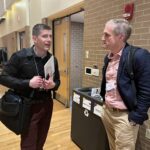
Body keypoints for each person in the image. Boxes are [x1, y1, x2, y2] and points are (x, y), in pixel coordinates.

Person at [0, 24, 60, 150]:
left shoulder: (52, 59)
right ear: (34, 38)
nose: (49, 39)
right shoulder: (20, 57)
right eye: (44, 36)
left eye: (50, 36)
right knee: (28, 144)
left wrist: (53, 85)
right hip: (27, 106)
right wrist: (28, 83)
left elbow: (57, 82)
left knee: (41, 141)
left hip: (47, 105)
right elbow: (3, 77)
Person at [100, 19, 150, 150]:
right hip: (108, 112)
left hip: (125, 117)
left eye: (107, 35)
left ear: (120, 36)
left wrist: (135, 117)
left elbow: (147, 90)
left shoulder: (139, 55)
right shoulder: (108, 57)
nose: (102, 38)